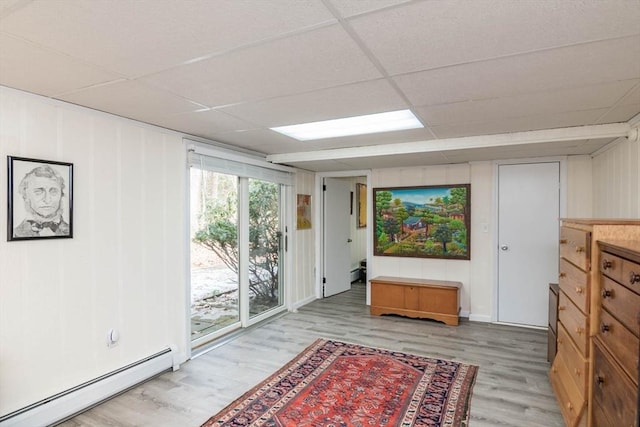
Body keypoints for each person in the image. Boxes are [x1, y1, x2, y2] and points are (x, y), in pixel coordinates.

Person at [13, 165, 70, 237]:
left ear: (61, 195)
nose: (47, 200)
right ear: (25, 196)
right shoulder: (15, 233)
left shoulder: (70, 230)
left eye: (53, 192)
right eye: (38, 192)